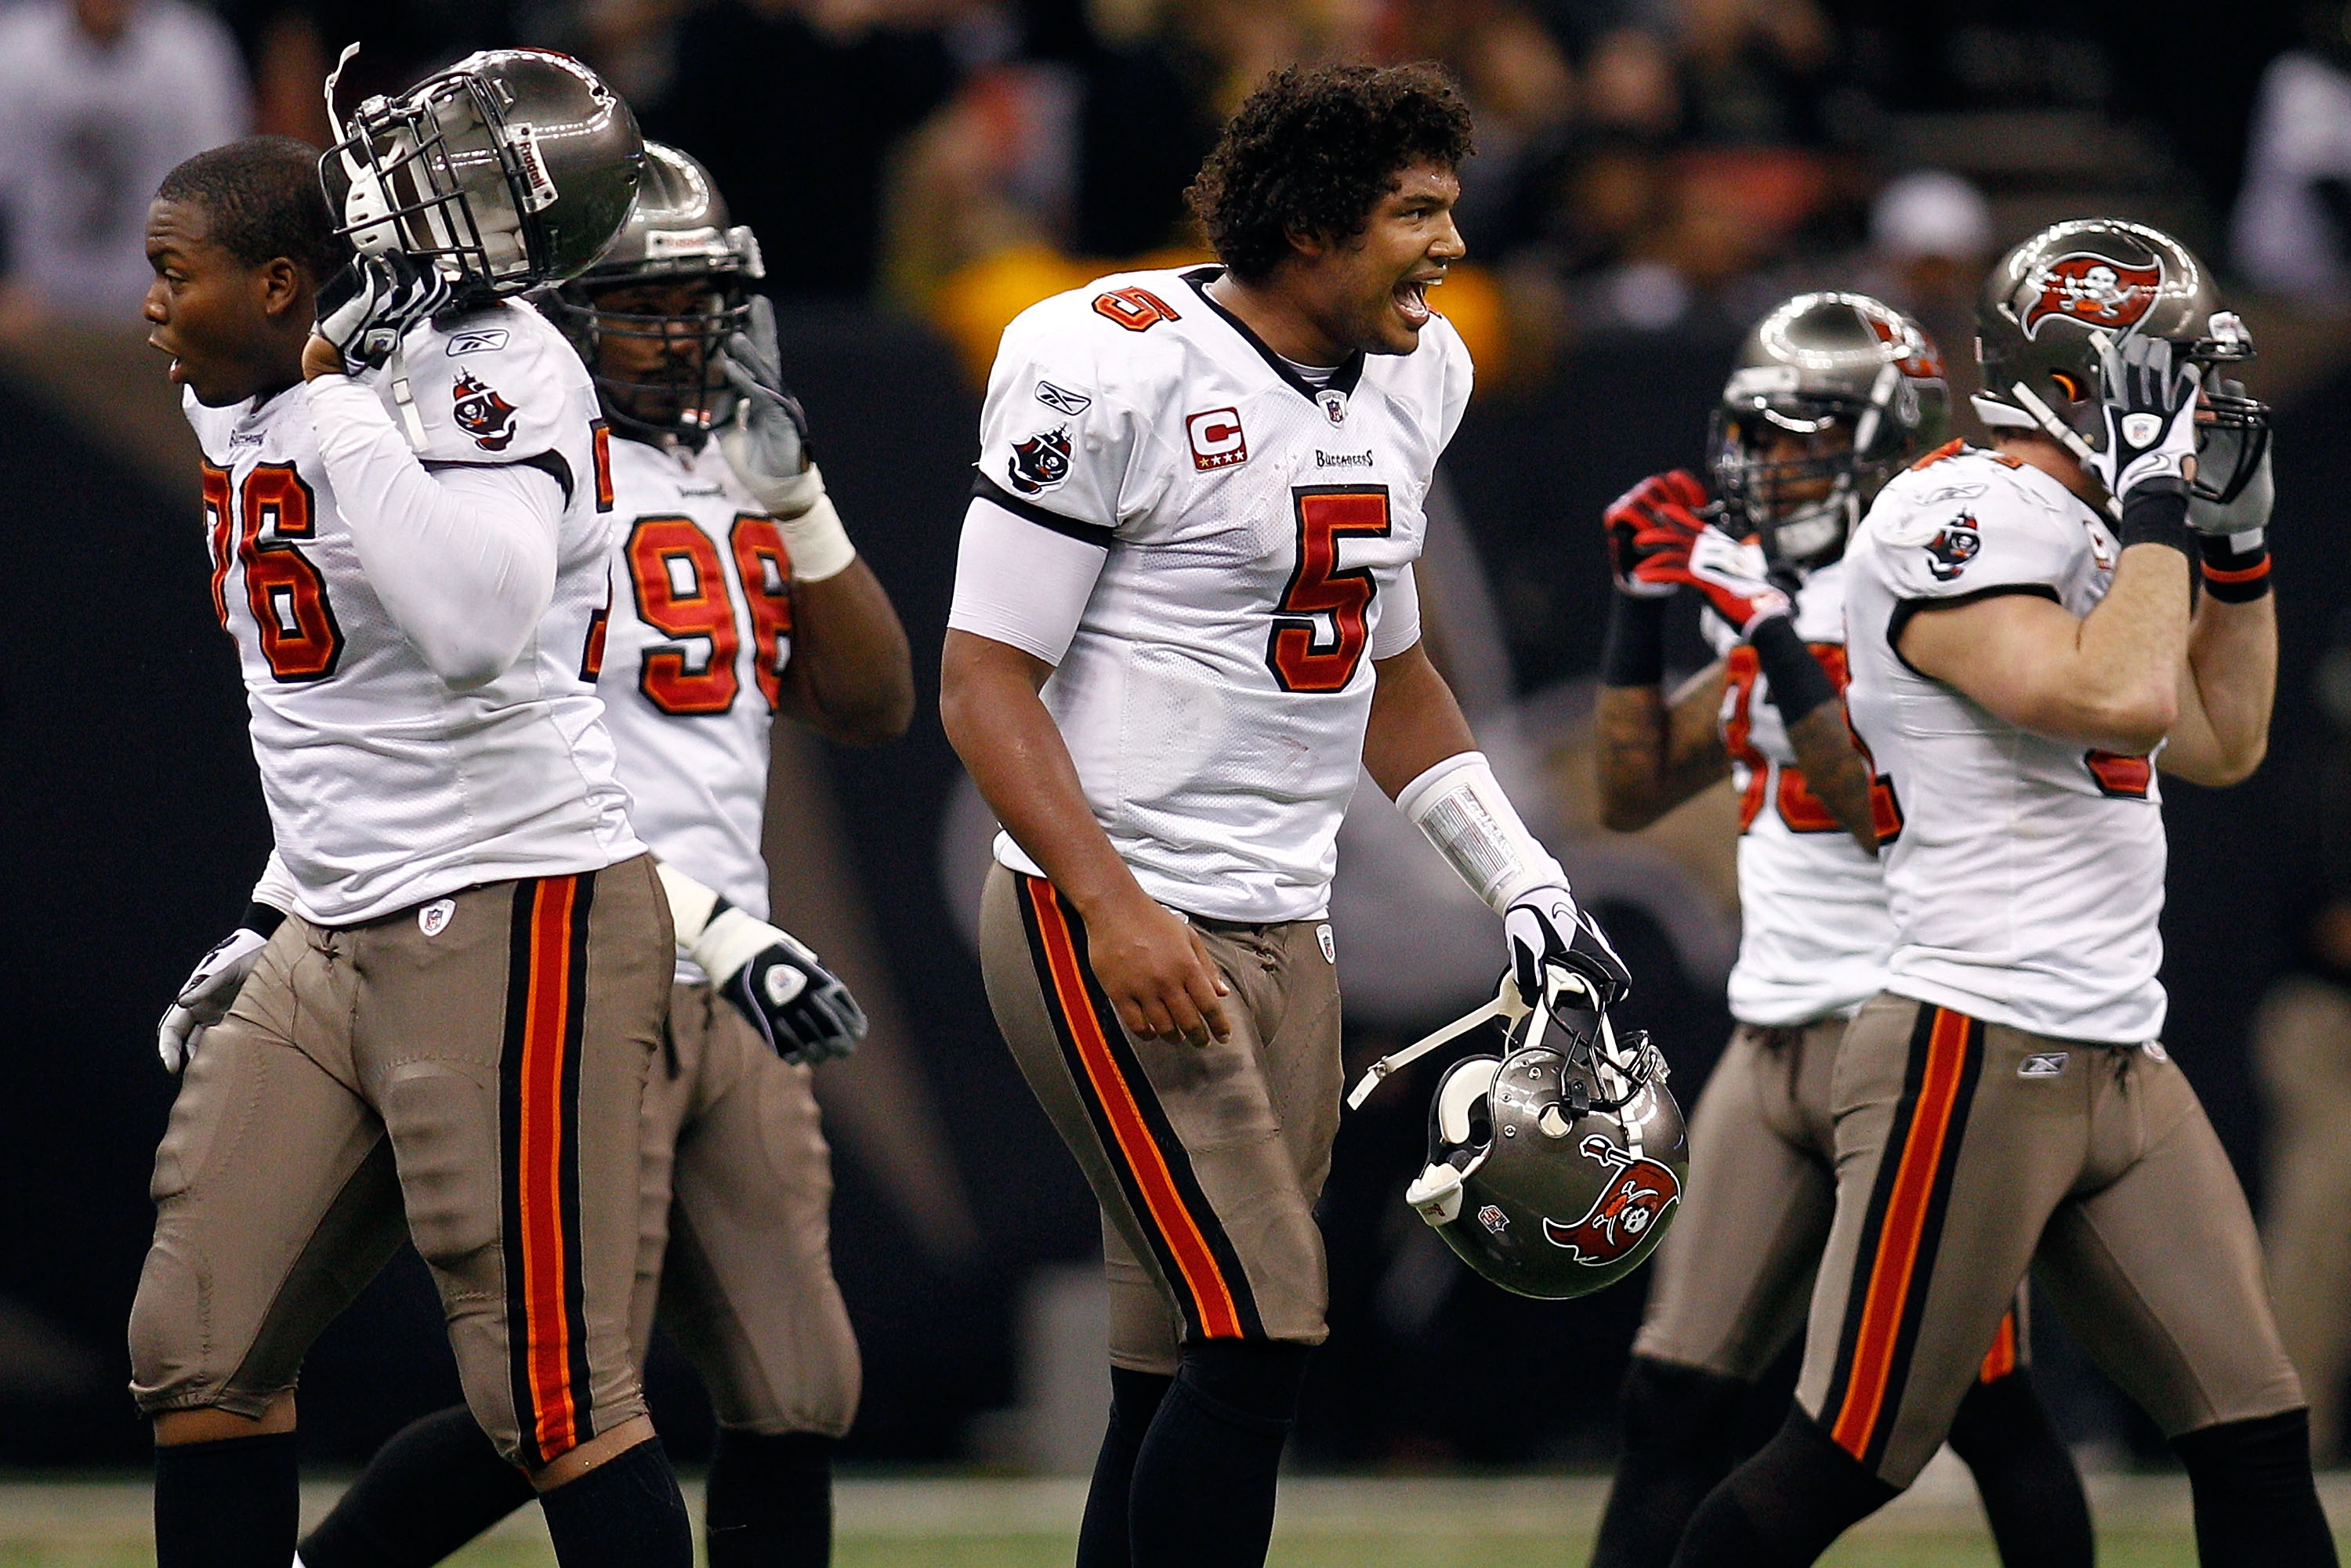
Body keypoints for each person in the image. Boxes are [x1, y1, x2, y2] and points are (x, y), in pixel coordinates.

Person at [939, 62, 1626, 1568]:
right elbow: (985, 682)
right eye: (1416, 212)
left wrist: (1525, 886)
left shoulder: (1416, 370)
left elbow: (1391, 674)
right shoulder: (1108, 358)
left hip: (1287, 923)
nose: (1450, 247)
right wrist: (1117, 909)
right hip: (1104, 912)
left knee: (1171, 1366)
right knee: (1262, 1327)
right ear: (1312, 225)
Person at [1669, 220, 2334, 1568]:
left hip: (2112, 1048)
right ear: (2086, 384)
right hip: (1972, 1046)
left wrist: (2240, 549)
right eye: (2172, 374)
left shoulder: (2085, 518)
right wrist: (2157, 512)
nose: (2199, 402)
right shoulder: (1948, 513)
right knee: (1840, 1460)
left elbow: (2221, 737)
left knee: (2254, 1433)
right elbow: (2114, 692)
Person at [289, 141, 914, 1568]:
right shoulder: (518, 469)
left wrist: (800, 501)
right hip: (581, 954)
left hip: (737, 975)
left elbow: (873, 701)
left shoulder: (730, 462)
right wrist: (707, 928)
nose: (683, 335)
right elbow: (502, 752)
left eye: (699, 303)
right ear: (565, 315)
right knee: (563, 1390)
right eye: (644, 304)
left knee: (799, 1376)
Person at [127, 57, 702, 1564]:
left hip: (518, 893)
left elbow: (472, 620)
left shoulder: (484, 360)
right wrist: (269, 907)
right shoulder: (242, 380)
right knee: (199, 1331)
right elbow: (326, 714)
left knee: (549, 1385)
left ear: (272, 282)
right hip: (332, 917)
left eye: (173, 274)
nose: (151, 306)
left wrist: (336, 398)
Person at [1583, 292, 2093, 1568]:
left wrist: (1763, 625)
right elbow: (1632, 788)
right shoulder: (1792, 595)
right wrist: (1643, 603)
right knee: (1672, 1397)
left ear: (1882, 441)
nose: (1766, 466)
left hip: (1914, 1035)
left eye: (1801, 438)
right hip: (1777, 1032)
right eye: (1756, 437)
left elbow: (1890, 812)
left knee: (1986, 1406)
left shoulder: (1943, 594)